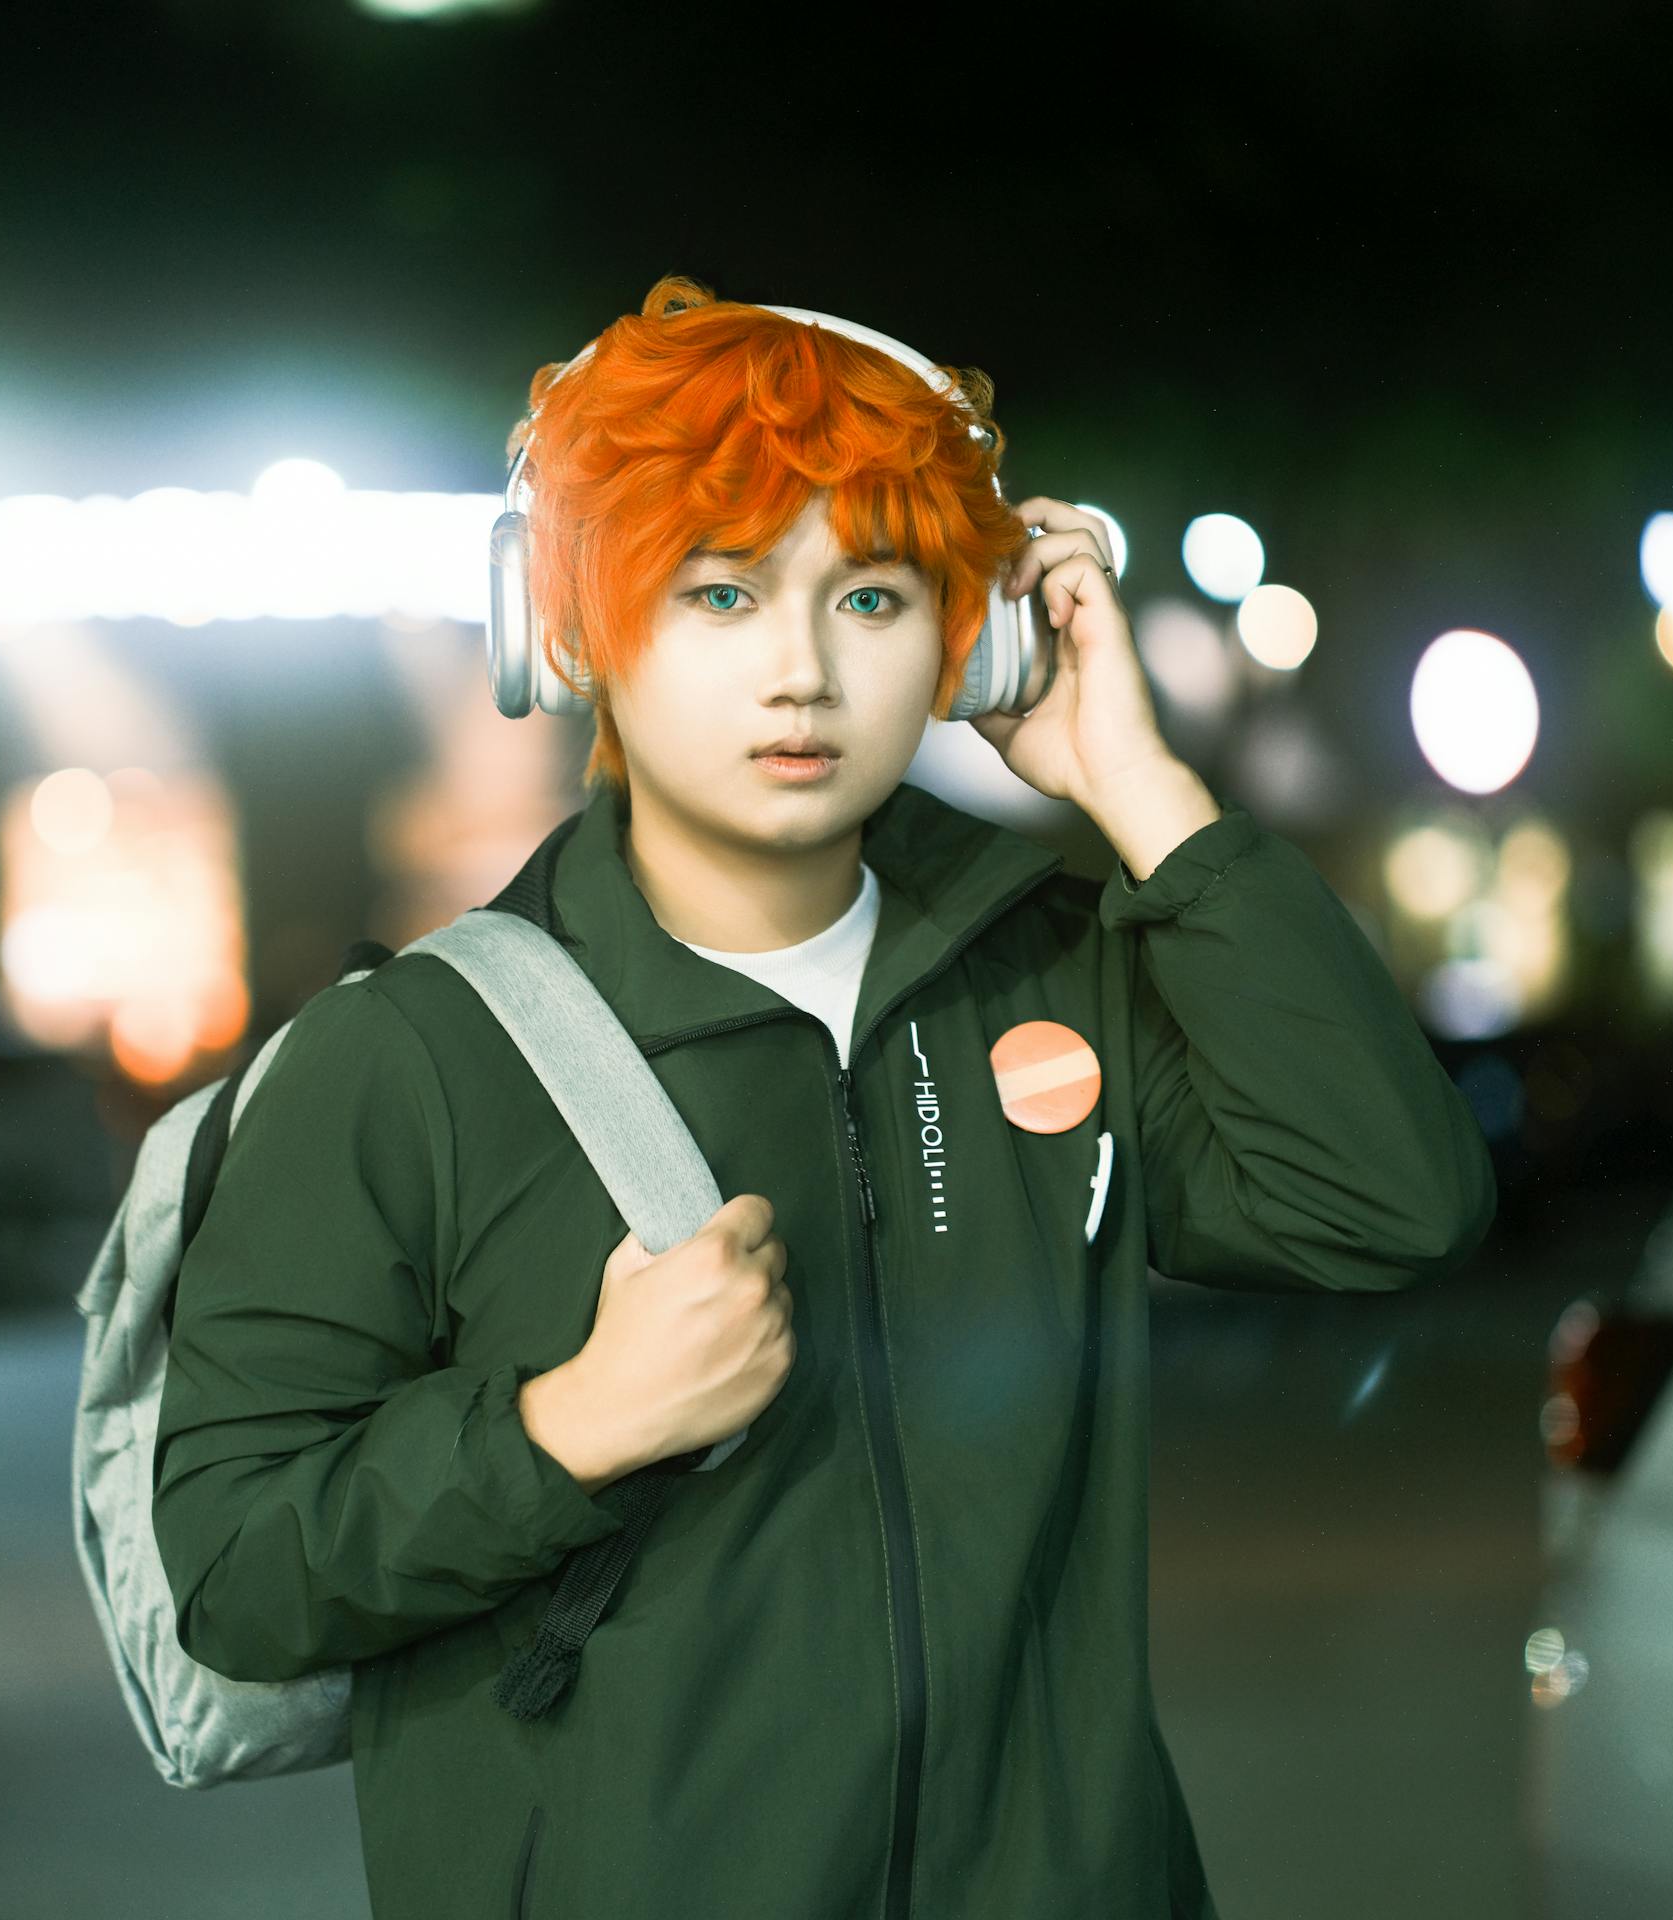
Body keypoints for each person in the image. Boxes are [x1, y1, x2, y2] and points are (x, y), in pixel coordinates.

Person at [151, 274, 1498, 1919]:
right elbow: (232, 1575)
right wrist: (565, 1430)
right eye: (719, 597)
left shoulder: (1049, 971)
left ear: (972, 630)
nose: (801, 674)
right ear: (567, 628)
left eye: (869, 599)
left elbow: (1391, 1204)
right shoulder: (411, 1059)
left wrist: (1143, 792)